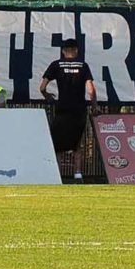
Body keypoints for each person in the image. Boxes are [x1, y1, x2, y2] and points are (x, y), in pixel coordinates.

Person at [38, 37, 97, 183]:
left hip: (62, 108)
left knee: (58, 143)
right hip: (79, 109)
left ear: (63, 51)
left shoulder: (56, 65)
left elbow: (42, 87)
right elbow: (91, 90)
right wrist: (94, 106)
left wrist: (47, 96)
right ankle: (78, 174)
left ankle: (57, 175)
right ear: (76, 50)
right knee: (77, 142)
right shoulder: (83, 66)